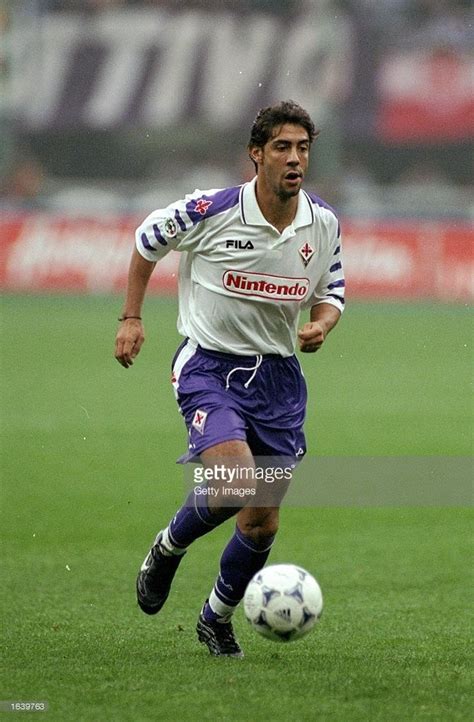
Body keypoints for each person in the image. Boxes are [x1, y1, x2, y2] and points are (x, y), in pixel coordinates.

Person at [114, 100, 345, 658]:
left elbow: (331, 290)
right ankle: (168, 548)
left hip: (279, 379)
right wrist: (131, 317)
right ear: (256, 154)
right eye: (283, 147)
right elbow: (147, 243)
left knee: (262, 518)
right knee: (237, 481)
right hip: (208, 366)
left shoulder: (323, 223)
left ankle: (215, 618)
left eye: (303, 148)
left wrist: (321, 324)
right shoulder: (212, 209)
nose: (295, 158)